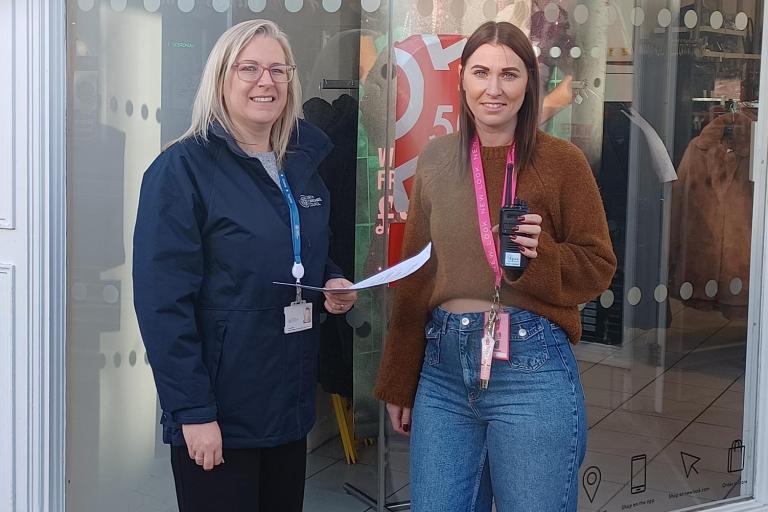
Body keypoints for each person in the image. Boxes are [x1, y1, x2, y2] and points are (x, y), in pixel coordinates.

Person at [374, 21, 616, 511]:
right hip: (442, 371)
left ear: (530, 82)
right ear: (462, 79)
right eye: (481, 72)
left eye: (509, 74)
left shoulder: (562, 162)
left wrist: (541, 256)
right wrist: (400, 378)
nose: (494, 88)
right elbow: (416, 278)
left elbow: (598, 266)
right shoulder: (438, 160)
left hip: (531, 366)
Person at [132, 19, 357, 512]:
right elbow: (162, 304)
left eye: (279, 69)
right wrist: (192, 413)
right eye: (249, 68)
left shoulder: (302, 164)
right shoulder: (182, 170)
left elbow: (307, 251)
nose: (266, 81)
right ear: (221, 79)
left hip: (288, 402)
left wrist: (332, 279)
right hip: (220, 412)